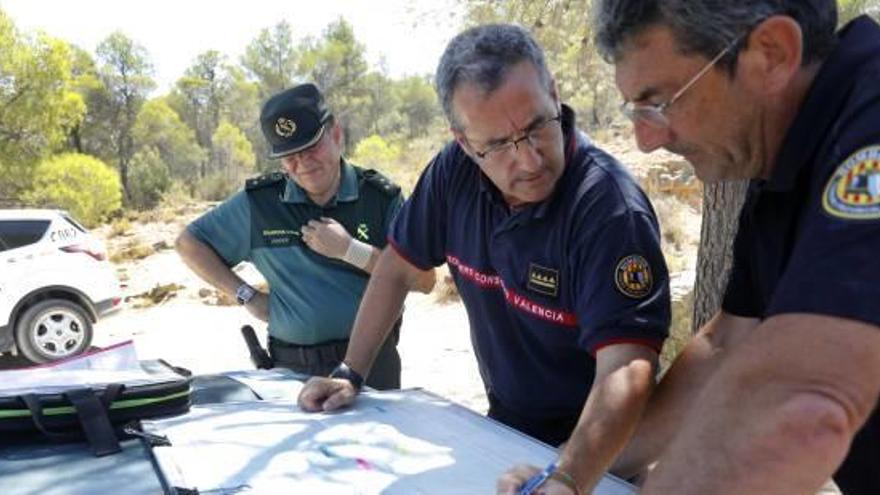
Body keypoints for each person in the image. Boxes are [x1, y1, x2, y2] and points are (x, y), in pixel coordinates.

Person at [298, 24, 671, 495]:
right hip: (503, 429)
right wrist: (350, 372)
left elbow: (626, 368)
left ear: (554, 95)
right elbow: (395, 267)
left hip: (604, 452)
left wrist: (566, 477)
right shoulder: (452, 173)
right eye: (496, 145)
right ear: (464, 140)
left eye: (537, 126)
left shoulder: (609, 208)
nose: (530, 160)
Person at [524, 2, 877, 494]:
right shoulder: (783, 158)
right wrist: (568, 475)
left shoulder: (870, 136)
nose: (645, 140)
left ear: (771, 54)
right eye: (636, 110)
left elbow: (801, 404)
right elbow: (724, 347)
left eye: (661, 102)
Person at [176, 83, 434, 390]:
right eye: (290, 157)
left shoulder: (380, 199)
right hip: (291, 368)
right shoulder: (260, 204)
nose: (304, 165)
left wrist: (351, 250)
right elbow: (189, 243)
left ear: (336, 135)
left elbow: (424, 281)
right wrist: (246, 295)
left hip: (372, 364)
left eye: (311, 148)